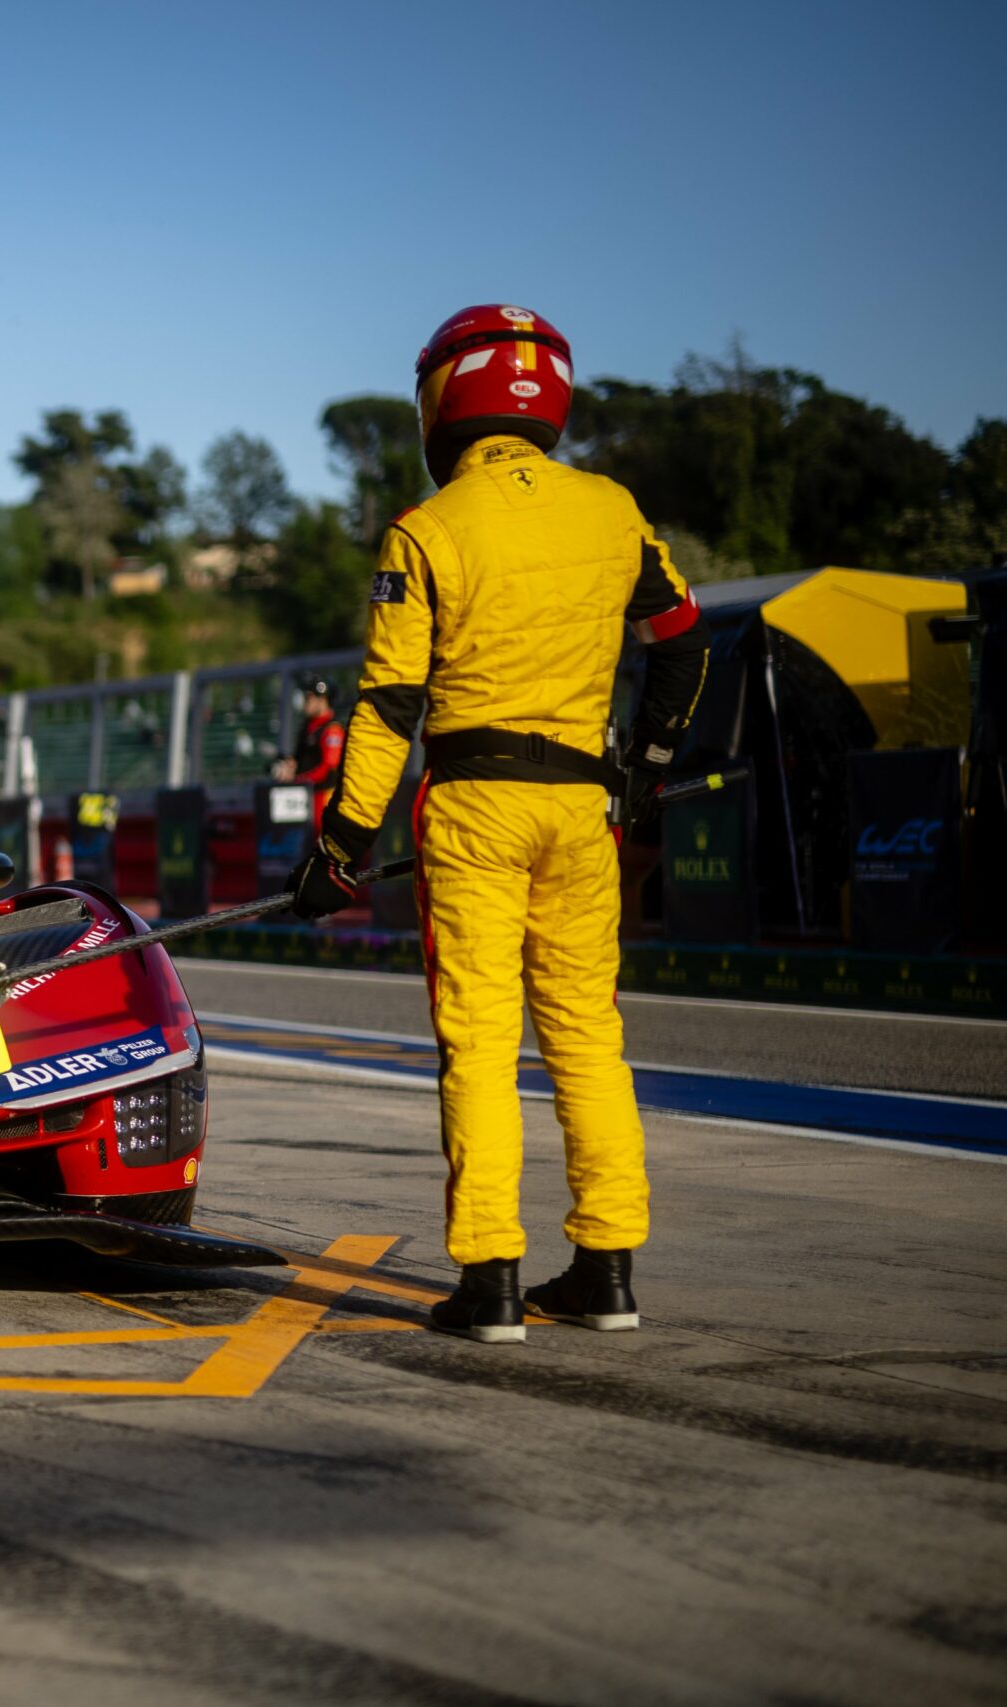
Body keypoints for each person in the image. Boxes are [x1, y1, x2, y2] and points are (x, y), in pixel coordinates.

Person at [288, 304, 710, 1344]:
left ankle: (489, 1281)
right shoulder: (612, 511)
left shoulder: (426, 532)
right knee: (587, 1039)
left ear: (443, 397)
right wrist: (648, 770)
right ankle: (607, 1272)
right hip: (582, 808)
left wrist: (339, 848)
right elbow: (681, 643)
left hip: (474, 806)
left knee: (478, 1042)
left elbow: (389, 706)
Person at [270, 675, 347, 829]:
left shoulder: (332, 730)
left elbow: (328, 768)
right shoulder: (307, 728)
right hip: (303, 798)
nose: (305, 702)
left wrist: (298, 779)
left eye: (309, 697)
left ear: (322, 699)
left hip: (323, 798)